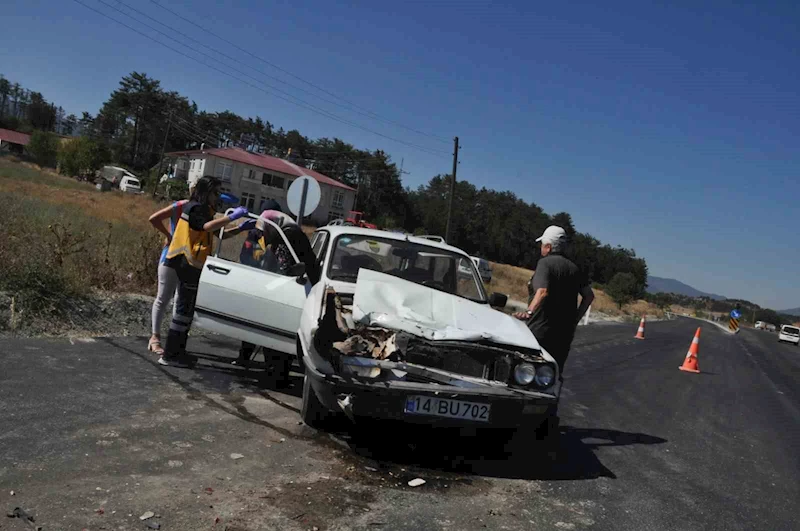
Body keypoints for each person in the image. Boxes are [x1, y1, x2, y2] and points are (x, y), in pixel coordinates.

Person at [160, 176, 254, 366]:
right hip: (186, 262)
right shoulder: (195, 208)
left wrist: (239, 228)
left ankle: (179, 351)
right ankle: (170, 354)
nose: (218, 197)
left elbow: (216, 234)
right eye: (216, 193)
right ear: (206, 192)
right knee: (182, 311)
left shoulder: (204, 210)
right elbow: (206, 227)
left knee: (186, 311)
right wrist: (231, 217)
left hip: (192, 265)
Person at [235, 201, 320, 369]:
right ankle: (255, 360)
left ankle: (274, 368)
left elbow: (284, 268)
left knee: (270, 328)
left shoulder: (287, 236)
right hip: (288, 288)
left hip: (288, 290)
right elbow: (251, 255)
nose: (261, 234)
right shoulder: (282, 233)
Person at [514, 225, 594, 375]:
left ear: (549, 247)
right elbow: (589, 296)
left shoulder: (545, 264)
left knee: (527, 373)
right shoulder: (575, 269)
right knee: (553, 375)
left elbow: (542, 291)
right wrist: (575, 320)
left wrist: (529, 312)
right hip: (564, 335)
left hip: (540, 330)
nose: (541, 248)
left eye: (542, 245)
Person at [147, 197, 189, 355]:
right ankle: (155, 337)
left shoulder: (202, 209)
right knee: (163, 297)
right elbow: (154, 218)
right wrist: (169, 235)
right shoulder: (181, 206)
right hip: (171, 256)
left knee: (179, 300)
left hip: (188, 259)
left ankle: (173, 340)